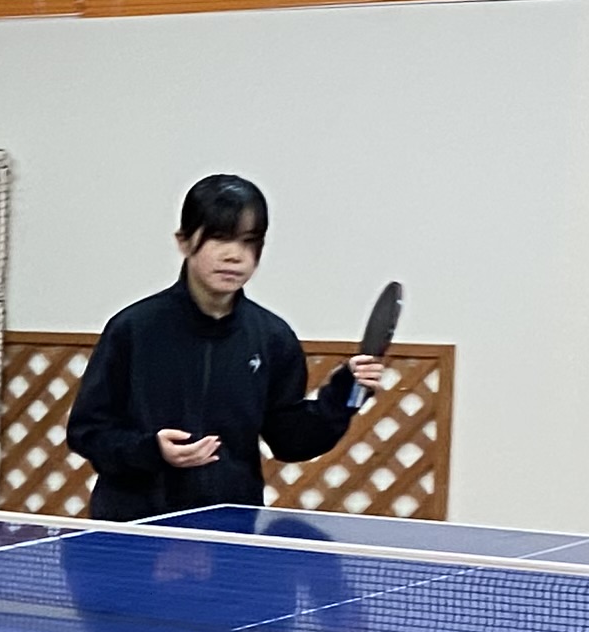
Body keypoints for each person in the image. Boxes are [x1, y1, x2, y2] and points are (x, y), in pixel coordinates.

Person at [63, 174, 394, 521]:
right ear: (184, 241)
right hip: (136, 528)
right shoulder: (133, 329)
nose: (234, 255)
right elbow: (89, 432)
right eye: (220, 238)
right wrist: (150, 450)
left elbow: (290, 441)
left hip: (230, 528)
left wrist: (341, 396)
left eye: (248, 242)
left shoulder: (273, 337)